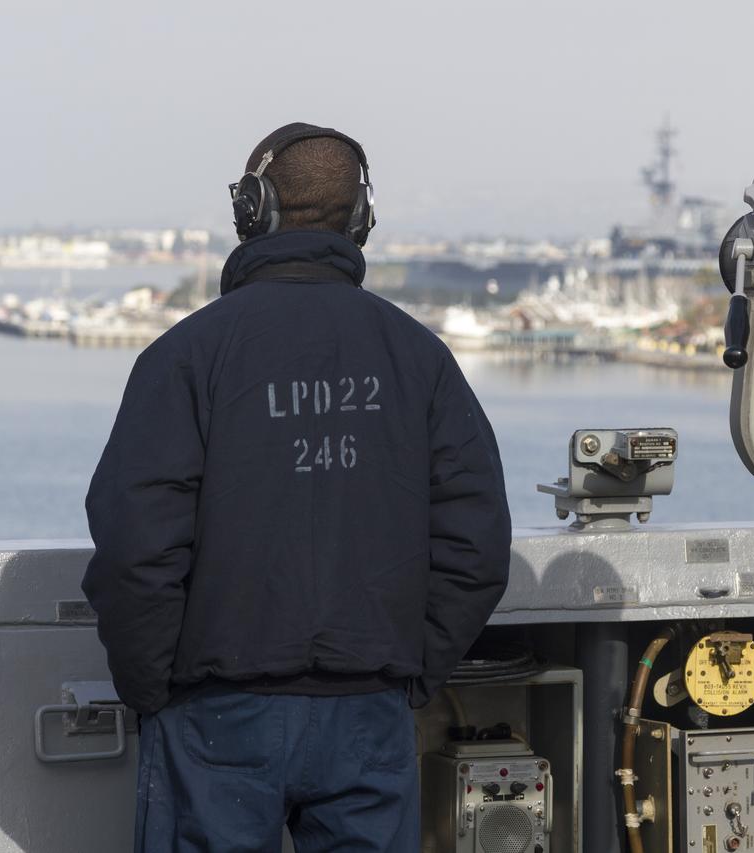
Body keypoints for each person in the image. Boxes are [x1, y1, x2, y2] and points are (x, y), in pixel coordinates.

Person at [82, 122, 512, 852]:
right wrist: (411, 673)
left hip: (216, 709)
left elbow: (135, 547)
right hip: (369, 708)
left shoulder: (187, 355)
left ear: (254, 212)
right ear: (359, 219)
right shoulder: (420, 358)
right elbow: (476, 546)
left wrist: (156, 689)